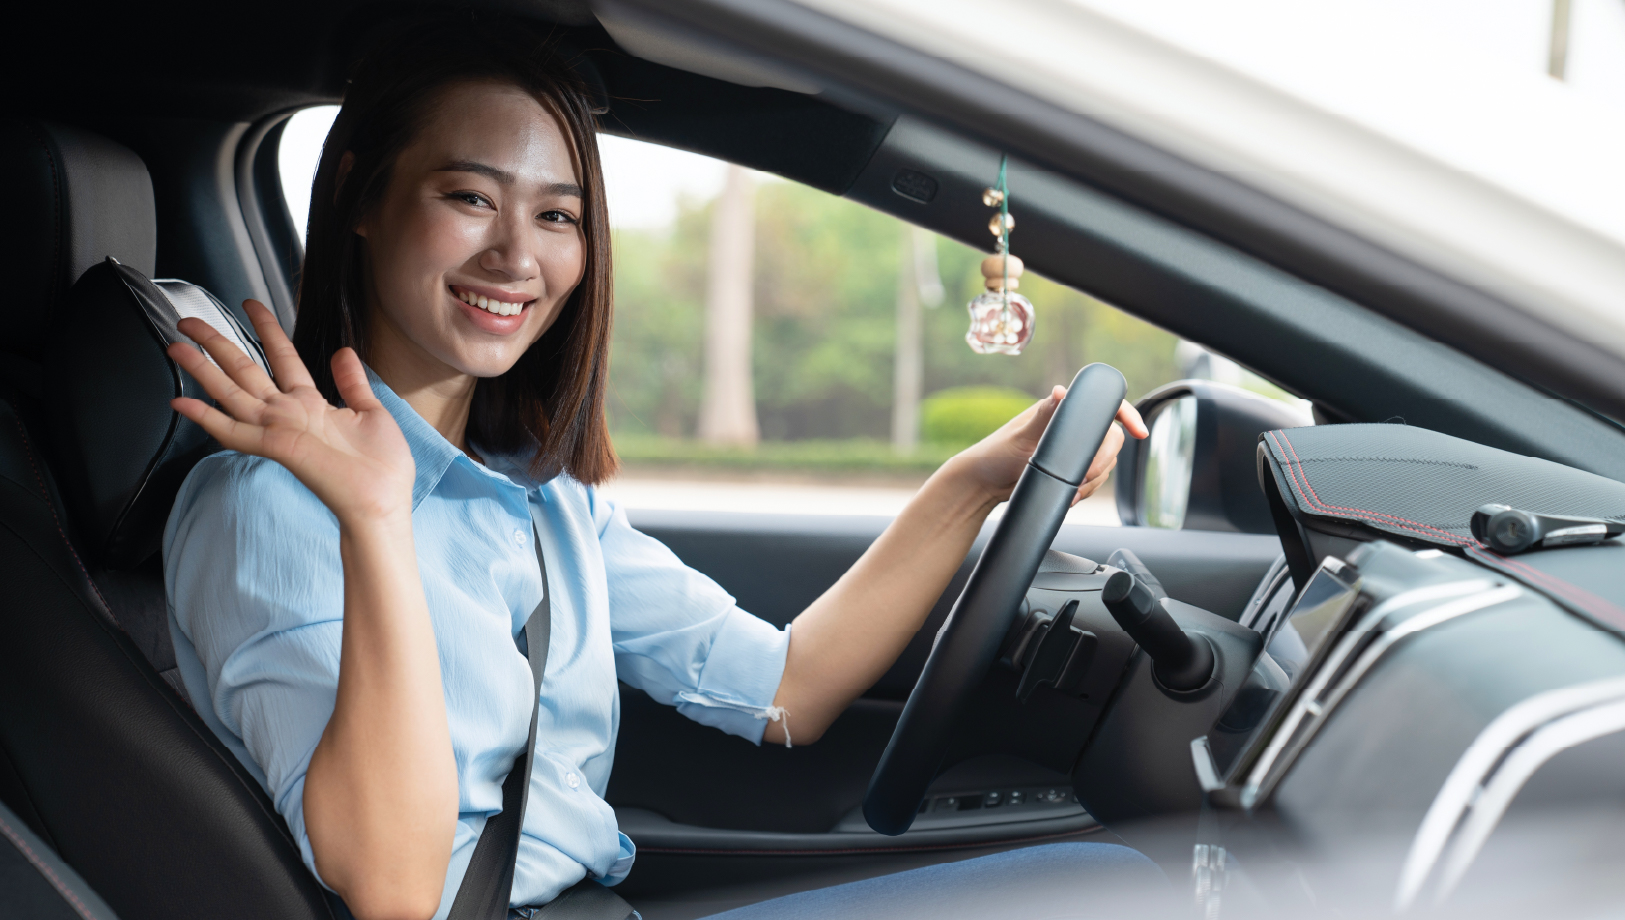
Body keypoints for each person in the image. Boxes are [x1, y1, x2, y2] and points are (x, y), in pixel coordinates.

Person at [162, 18, 1153, 920]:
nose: (517, 255)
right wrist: (377, 519)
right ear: (361, 198)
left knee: (1116, 883)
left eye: (557, 216)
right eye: (468, 196)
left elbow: (785, 687)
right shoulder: (273, 508)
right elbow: (396, 887)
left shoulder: (538, 492)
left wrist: (978, 481)